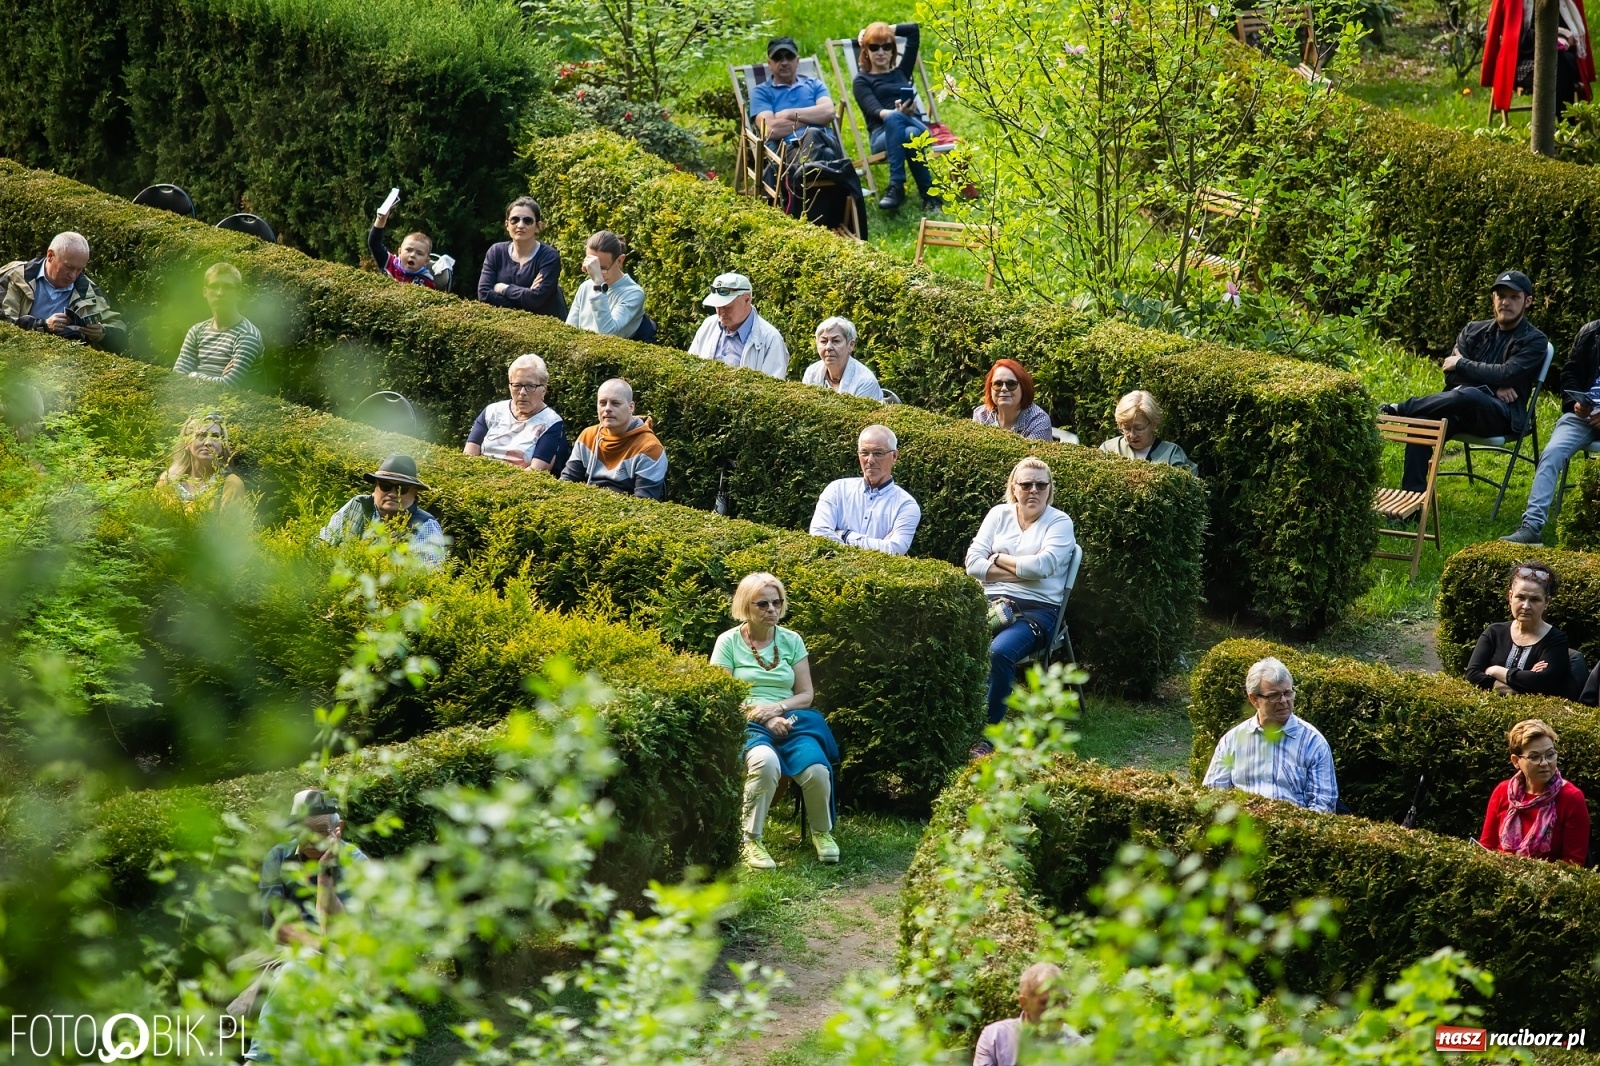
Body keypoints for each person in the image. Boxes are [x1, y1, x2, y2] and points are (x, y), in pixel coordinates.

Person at [711, 571, 841, 869]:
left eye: (777, 603)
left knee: (817, 769)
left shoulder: (792, 640)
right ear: (746, 606)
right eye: (763, 604)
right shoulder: (728, 642)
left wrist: (778, 709)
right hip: (745, 718)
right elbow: (723, 693)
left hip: (791, 718)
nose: (772, 610)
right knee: (765, 762)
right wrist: (762, 716)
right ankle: (751, 840)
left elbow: (806, 694)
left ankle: (823, 833)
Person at [1380, 271, 1548, 496]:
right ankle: (1413, 500)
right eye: (1500, 295)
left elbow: (1508, 373)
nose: (1505, 302)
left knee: (1471, 395)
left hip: (1501, 416)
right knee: (1422, 422)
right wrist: (1493, 386)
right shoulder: (1473, 330)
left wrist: (1462, 364)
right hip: (1459, 408)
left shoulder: (1535, 340)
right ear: (1493, 298)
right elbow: (1451, 376)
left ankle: (1401, 409)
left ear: (1527, 301)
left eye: (1514, 297)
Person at [964, 457, 1077, 755]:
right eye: (1026, 484)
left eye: (1041, 485)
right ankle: (953, 720)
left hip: (1037, 610)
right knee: (947, 635)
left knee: (999, 651)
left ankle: (989, 736)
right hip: (991, 601)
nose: (1033, 490)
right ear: (1014, 488)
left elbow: (1043, 566)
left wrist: (997, 558)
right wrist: (1020, 571)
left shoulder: (1060, 522)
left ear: (1050, 489)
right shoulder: (998, 514)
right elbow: (972, 564)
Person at [1504, 319, 1600, 545]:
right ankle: (1532, 527)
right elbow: (1570, 374)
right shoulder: (1592, 332)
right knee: (1552, 452)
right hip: (1583, 416)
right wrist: (1575, 402)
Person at [1202, 656, 1338, 813]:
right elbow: (1213, 793)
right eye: (1274, 696)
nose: (1283, 701)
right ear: (1254, 700)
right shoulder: (1231, 741)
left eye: (1288, 693)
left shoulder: (1313, 742)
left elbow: (1323, 805)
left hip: (1292, 831)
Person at [852, 21, 940, 212]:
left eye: (887, 46)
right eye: (874, 47)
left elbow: (914, 30)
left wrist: (880, 30)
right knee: (905, 131)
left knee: (906, 128)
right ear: (866, 51)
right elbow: (875, 110)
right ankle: (930, 197)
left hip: (915, 123)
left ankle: (896, 187)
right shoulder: (861, 80)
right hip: (882, 135)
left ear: (893, 50)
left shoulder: (902, 71)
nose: (881, 52)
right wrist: (897, 114)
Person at [1479, 719, 1590, 865]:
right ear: (1516, 761)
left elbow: (1573, 862)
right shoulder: (1502, 791)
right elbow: (1486, 847)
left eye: (1550, 755)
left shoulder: (1571, 797)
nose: (1544, 763)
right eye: (1534, 757)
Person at [0, 231, 126, 351]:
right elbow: (4, 323)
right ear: (50, 256)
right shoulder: (15, 277)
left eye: (80, 269)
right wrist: (43, 325)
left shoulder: (89, 291)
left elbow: (121, 332)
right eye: (69, 267)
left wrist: (103, 333)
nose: (73, 275)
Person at [317, 453, 446, 567]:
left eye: (402, 488)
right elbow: (323, 542)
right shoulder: (357, 505)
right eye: (385, 486)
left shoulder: (425, 525)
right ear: (375, 488)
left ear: (415, 493)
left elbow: (426, 578)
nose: (393, 493)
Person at [809, 424, 921, 554]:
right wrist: (879, 546)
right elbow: (818, 533)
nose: (870, 460)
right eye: (864, 453)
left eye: (878, 453)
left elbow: (894, 550)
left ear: (894, 456)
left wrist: (845, 535)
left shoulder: (905, 505)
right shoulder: (837, 490)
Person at [1464, 562, 1571, 696]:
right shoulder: (1494, 633)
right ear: (1510, 597)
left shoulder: (1556, 640)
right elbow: (1472, 675)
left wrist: (1496, 671)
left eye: (1535, 600)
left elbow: (1543, 683)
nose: (1526, 606)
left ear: (1546, 602)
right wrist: (1520, 686)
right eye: (1520, 597)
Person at [1482, 0, 1594, 118]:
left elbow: (1577, 40)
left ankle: (1559, 125)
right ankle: (1560, 126)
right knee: (1558, 66)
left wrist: (1564, 39)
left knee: (1561, 62)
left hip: (1563, 58)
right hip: (1525, 60)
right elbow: (1509, 38)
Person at [559, 378, 668, 499]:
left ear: (631, 407)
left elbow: (644, 503)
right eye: (602, 403)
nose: (607, 409)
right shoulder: (588, 436)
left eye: (615, 403)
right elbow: (567, 482)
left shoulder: (650, 449)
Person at [463, 353, 566, 472]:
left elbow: (536, 471)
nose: (522, 392)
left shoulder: (551, 423)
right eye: (517, 385)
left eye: (530, 386)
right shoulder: (492, 412)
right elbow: (468, 456)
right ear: (510, 387)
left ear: (543, 390)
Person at [972, 962, 1086, 1066]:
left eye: (1064, 1000)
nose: (1059, 1010)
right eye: (1047, 1002)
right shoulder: (995, 1038)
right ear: (1024, 1004)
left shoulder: (1079, 1049)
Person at [173, 263, 264, 387]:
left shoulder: (247, 335)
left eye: (227, 287)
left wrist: (193, 375)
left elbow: (227, 386)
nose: (220, 293)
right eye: (214, 286)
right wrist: (216, 379)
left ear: (239, 293)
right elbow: (177, 377)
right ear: (205, 292)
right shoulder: (196, 331)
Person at [477, 196, 566, 320]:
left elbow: (537, 300)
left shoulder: (549, 257)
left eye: (527, 221)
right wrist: (526, 297)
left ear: (538, 226)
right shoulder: (496, 252)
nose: (520, 225)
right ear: (507, 224)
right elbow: (484, 294)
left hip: (541, 329)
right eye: (514, 220)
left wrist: (503, 288)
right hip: (502, 325)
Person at [687, 273, 790, 379]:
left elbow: (771, 390)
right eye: (717, 306)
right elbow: (689, 369)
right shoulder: (708, 325)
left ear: (747, 299)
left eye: (727, 307)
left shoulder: (771, 340)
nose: (721, 312)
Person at [749, 35, 837, 149]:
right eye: (777, 58)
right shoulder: (761, 92)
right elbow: (770, 130)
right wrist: (815, 120)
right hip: (790, 153)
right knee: (816, 140)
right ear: (769, 63)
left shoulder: (814, 84)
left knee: (815, 137)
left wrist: (789, 114)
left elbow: (829, 112)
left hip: (825, 142)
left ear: (797, 61)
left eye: (789, 57)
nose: (784, 62)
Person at [566, 230, 646, 339]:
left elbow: (606, 333)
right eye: (592, 266)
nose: (596, 273)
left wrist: (599, 285)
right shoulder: (585, 287)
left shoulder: (634, 293)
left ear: (619, 261)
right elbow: (569, 331)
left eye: (602, 268)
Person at [157, 412, 246, 508]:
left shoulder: (230, 484)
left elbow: (228, 522)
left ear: (222, 445)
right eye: (201, 435)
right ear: (187, 443)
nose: (208, 442)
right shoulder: (167, 482)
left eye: (215, 436)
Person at [1097, 390, 1199, 475]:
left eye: (1139, 428)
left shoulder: (1172, 454)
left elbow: (1190, 487)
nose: (1132, 435)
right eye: (1126, 428)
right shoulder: (1108, 449)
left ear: (1153, 424)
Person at [801, 316, 885, 400]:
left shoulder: (865, 381)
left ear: (851, 345)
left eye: (836, 341)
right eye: (823, 341)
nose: (828, 347)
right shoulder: (811, 373)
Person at [973, 359, 1053, 441]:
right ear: (990, 388)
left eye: (1011, 384)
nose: (1004, 389)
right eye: (998, 384)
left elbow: (1030, 453)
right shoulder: (981, 415)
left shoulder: (1038, 421)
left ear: (1023, 388)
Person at [367, 206, 435, 288]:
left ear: (426, 261)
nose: (412, 255)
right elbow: (374, 243)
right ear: (399, 252)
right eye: (409, 250)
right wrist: (380, 220)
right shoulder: (388, 262)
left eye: (419, 253)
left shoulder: (427, 282)